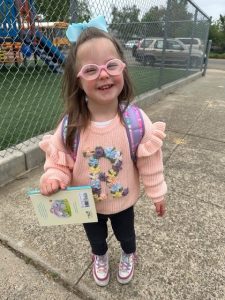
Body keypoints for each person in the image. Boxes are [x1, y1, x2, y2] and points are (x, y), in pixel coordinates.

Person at [39, 16, 167, 287]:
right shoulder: (70, 125)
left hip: (123, 201)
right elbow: (59, 160)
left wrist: (157, 192)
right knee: (96, 239)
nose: (104, 74)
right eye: (91, 70)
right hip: (87, 204)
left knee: (127, 234)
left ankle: (128, 254)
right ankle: (99, 256)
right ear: (78, 81)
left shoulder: (135, 120)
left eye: (111, 65)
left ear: (123, 68)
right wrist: (54, 178)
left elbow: (150, 159)